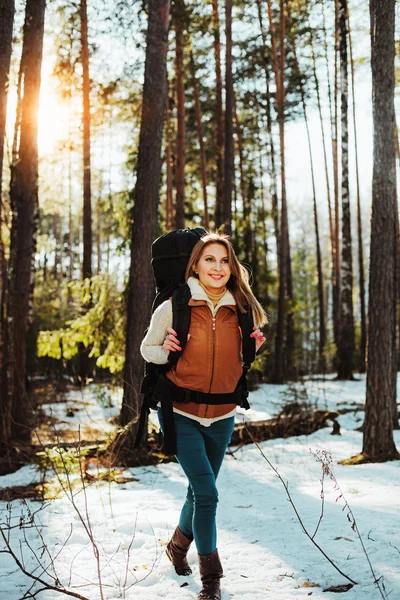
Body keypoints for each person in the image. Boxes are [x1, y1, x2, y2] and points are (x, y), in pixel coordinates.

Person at [140, 232, 267, 600]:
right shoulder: (176, 305)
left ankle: (176, 547)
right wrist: (164, 349)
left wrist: (252, 349)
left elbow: (241, 357)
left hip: (223, 415)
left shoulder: (242, 306)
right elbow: (148, 349)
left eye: (224, 261)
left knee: (198, 492)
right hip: (180, 413)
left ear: (232, 268)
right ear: (195, 264)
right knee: (208, 493)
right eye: (209, 259)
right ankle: (211, 578)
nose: (218, 267)